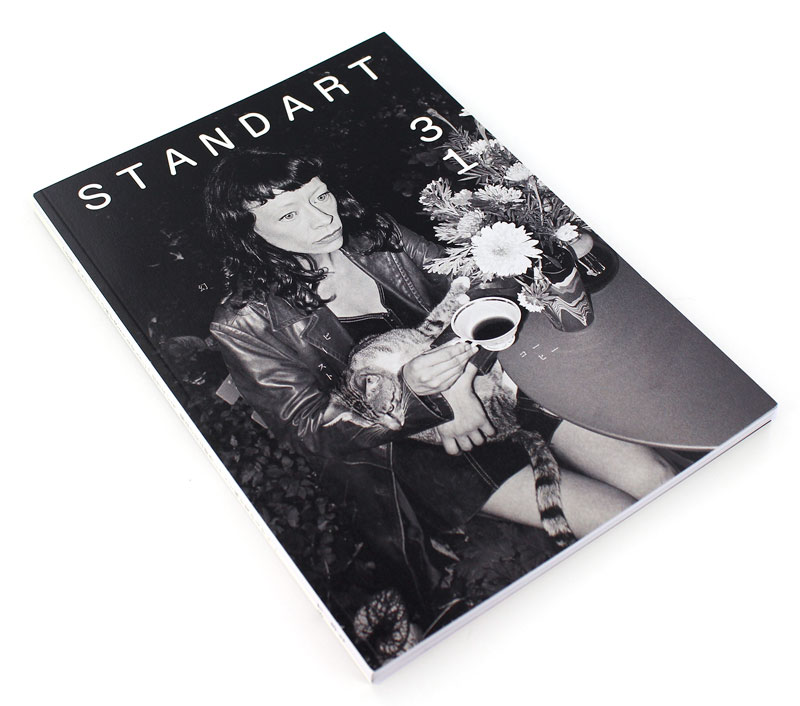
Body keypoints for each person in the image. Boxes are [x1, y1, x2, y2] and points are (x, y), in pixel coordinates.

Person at [205, 150, 675, 599]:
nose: (323, 218)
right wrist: (414, 396)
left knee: (654, 476)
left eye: (321, 195)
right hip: (409, 448)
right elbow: (310, 430)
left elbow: (477, 285)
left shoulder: (375, 235)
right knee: (614, 514)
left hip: (489, 378)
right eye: (289, 214)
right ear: (248, 231)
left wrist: (460, 385)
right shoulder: (243, 322)